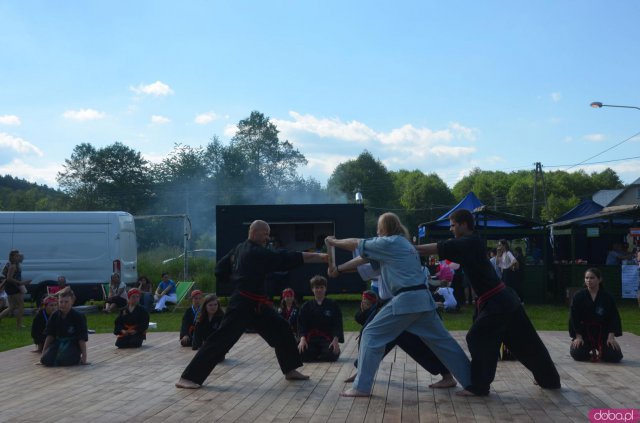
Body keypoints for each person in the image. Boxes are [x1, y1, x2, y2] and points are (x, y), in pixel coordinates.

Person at [416, 209, 560, 396]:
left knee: (478, 337)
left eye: (453, 225)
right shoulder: (471, 242)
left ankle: (480, 386)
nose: (451, 229)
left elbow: (437, 248)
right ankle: (549, 379)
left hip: (497, 301)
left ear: (464, 224)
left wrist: (410, 248)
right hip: (501, 300)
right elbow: (444, 248)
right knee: (524, 342)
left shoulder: (469, 242)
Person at [326, 212, 472, 397]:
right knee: (444, 343)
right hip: (423, 300)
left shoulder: (389, 243)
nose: (377, 233)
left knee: (371, 334)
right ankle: (473, 382)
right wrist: (338, 269)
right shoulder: (402, 244)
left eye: (378, 229)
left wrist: (334, 242)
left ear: (384, 228)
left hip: (406, 301)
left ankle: (361, 386)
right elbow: (364, 260)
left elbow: (356, 243)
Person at [175, 219, 328, 389]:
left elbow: (220, 270)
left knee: (282, 329)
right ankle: (188, 378)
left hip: (256, 304)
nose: (267, 238)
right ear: (254, 232)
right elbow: (283, 258)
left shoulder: (238, 249)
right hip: (242, 304)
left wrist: (235, 281)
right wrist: (320, 257)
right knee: (222, 339)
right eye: (265, 234)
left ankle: (290, 369)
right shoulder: (255, 253)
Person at [341, 253, 459, 389]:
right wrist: (339, 268)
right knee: (378, 337)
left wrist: (338, 268)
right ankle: (361, 371)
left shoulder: (399, 262)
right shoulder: (388, 260)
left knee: (412, 342)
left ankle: (447, 375)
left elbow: (361, 267)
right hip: (395, 307)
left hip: (407, 308)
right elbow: (362, 268)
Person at [569, 268, 623, 363]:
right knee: (577, 353)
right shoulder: (578, 296)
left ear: (599, 279)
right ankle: (590, 353)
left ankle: (603, 353)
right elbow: (574, 317)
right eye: (586, 278)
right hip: (584, 332)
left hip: (602, 333)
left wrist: (611, 337)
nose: (589, 280)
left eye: (592, 278)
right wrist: (578, 337)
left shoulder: (607, 297)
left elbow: (613, 317)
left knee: (614, 356)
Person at [297, 275, 343, 362]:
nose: (319, 290)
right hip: (310, 338)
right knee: (301, 353)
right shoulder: (306, 306)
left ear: (325, 288)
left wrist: (335, 340)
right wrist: (302, 339)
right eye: (316, 287)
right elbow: (301, 324)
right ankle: (317, 354)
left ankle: (319, 354)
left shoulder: (333, 305)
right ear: (312, 289)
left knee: (332, 354)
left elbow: (337, 324)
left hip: (326, 338)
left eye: (322, 287)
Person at [40, 289, 88, 366]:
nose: (63, 304)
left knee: (64, 360)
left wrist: (84, 357)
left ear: (72, 302)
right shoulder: (55, 315)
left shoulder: (78, 316)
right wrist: (43, 352)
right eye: (61, 302)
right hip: (58, 343)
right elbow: (50, 334)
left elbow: (81, 338)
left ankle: (75, 357)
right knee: (45, 360)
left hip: (73, 344)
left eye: (66, 302)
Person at [0, 249, 32, 327]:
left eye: (18, 256)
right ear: (12, 257)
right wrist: (21, 283)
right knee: (21, 305)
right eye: (16, 256)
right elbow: (9, 278)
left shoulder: (10, 264)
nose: (18, 257)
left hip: (10, 287)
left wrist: (2, 285)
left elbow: (6, 278)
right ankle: (19, 324)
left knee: (11, 307)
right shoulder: (13, 266)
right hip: (13, 287)